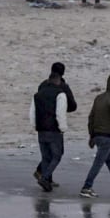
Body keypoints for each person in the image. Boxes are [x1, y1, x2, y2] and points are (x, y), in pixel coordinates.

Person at [31, 62, 76, 192]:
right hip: (54, 128)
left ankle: (46, 179)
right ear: (62, 74)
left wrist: (35, 125)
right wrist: (63, 128)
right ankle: (44, 177)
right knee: (57, 154)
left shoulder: (41, 87)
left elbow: (34, 108)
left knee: (46, 156)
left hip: (41, 128)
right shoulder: (62, 89)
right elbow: (69, 108)